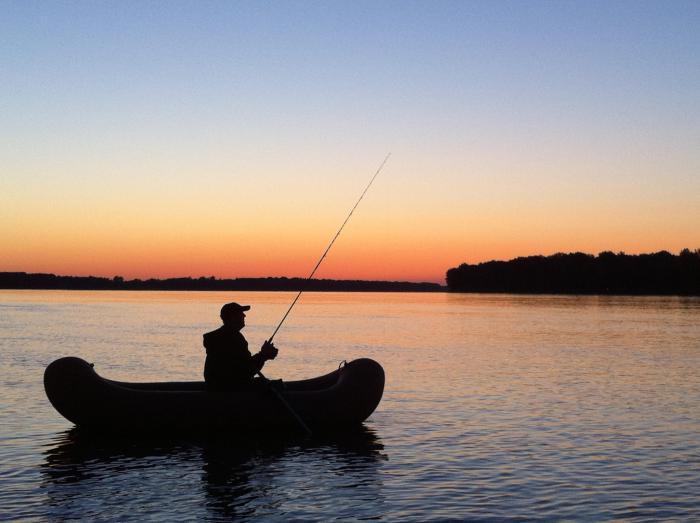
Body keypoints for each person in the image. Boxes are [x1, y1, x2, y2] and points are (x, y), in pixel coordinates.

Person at [203, 302, 278, 391]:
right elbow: (245, 371)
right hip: (228, 389)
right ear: (232, 318)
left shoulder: (222, 336)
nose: (244, 315)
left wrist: (262, 355)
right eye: (240, 313)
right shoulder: (233, 338)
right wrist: (263, 355)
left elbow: (243, 367)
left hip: (217, 385)